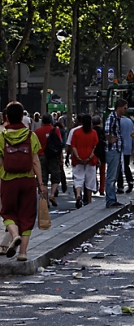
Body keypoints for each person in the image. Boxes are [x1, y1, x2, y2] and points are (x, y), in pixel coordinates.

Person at [0, 101, 46, 261]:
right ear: (22, 117)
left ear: (6, 117)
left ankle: (14, 235)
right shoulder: (30, 135)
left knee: (7, 212)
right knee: (27, 215)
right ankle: (23, 253)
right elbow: (35, 161)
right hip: (27, 180)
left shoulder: (2, 136)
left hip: (8, 180)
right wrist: (40, 183)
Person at [34, 113, 63, 207]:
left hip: (41, 156)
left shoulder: (37, 131)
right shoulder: (56, 130)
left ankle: (45, 200)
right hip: (53, 156)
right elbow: (59, 144)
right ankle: (52, 194)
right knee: (56, 177)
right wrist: (61, 157)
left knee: (43, 179)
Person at [70, 114, 98, 208]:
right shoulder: (93, 133)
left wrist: (77, 156)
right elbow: (95, 146)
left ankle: (78, 195)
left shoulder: (76, 132)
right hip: (90, 160)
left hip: (78, 159)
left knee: (78, 178)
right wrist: (90, 157)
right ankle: (89, 200)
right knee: (90, 180)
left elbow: (72, 145)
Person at [104, 99, 127, 208]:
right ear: (119, 107)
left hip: (116, 149)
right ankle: (110, 200)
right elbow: (107, 130)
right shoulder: (112, 117)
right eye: (124, 108)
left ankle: (112, 198)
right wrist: (111, 139)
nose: (125, 110)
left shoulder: (116, 118)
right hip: (113, 149)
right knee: (111, 176)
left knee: (114, 176)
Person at [117, 115, 134, 194]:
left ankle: (120, 186)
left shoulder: (116, 121)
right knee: (126, 165)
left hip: (118, 147)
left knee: (118, 167)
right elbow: (133, 135)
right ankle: (130, 181)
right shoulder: (129, 121)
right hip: (128, 147)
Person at [92, 116, 106, 195]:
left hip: (94, 154)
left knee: (93, 171)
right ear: (100, 122)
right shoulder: (103, 131)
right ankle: (102, 189)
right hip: (103, 153)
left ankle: (95, 185)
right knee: (102, 172)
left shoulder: (91, 131)